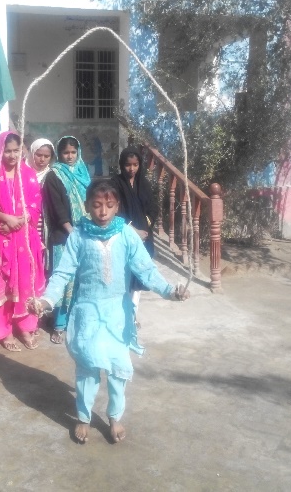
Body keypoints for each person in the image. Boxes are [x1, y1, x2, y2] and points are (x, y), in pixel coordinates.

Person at [29, 180, 189, 444]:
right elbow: (63, 272)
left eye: (109, 205)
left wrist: (171, 291)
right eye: (97, 205)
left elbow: (146, 270)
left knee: (118, 366)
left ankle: (114, 417)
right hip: (87, 311)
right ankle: (83, 417)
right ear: (88, 206)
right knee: (88, 365)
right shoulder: (79, 235)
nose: (103, 211)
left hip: (117, 311)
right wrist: (45, 300)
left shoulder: (126, 234)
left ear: (117, 207)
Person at [0, 131, 45, 352]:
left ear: (22, 150)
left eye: (16, 150)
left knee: (25, 283)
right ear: (0, 150)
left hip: (25, 238)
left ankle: (25, 327)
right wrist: (5, 218)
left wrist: (20, 221)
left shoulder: (28, 174)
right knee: (3, 286)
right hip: (1, 238)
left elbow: (36, 204)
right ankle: (4, 331)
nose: (11, 155)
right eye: (7, 150)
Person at [42, 136, 91, 344]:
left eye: (73, 152)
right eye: (65, 153)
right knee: (64, 279)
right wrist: (72, 231)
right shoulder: (54, 175)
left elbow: (91, 202)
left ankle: (77, 322)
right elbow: (57, 209)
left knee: (82, 279)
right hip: (64, 236)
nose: (70, 156)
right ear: (59, 155)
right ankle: (60, 325)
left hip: (85, 232)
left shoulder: (83, 172)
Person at [112, 147, 158, 317]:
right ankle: (121, 313)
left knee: (138, 277)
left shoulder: (143, 183)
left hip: (144, 236)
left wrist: (145, 225)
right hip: (124, 234)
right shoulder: (115, 183)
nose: (132, 169)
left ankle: (133, 315)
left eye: (135, 165)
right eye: (128, 165)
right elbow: (115, 210)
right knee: (124, 275)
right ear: (121, 165)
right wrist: (133, 230)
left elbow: (153, 207)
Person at [28, 138, 56, 271]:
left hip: (44, 221)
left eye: (47, 156)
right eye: (39, 155)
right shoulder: (22, 173)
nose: (42, 159)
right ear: (32, 153)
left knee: (42, 254)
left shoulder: (52, 175)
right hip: (25, 220)